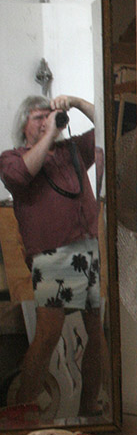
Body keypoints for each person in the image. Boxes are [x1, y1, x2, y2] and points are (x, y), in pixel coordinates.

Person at [0, 93, 107, 418]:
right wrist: (49, 133)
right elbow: (21, 176)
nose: (47, 121)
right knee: (49, 333)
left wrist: (75, 103)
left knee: (96, 331)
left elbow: (104, 127)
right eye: (39, 117)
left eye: (50, 116)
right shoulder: (12, 157)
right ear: (24, 125)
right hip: (51, 253)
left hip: (85, 247)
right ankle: (22, 410)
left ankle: (90, 405)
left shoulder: (70, 150)